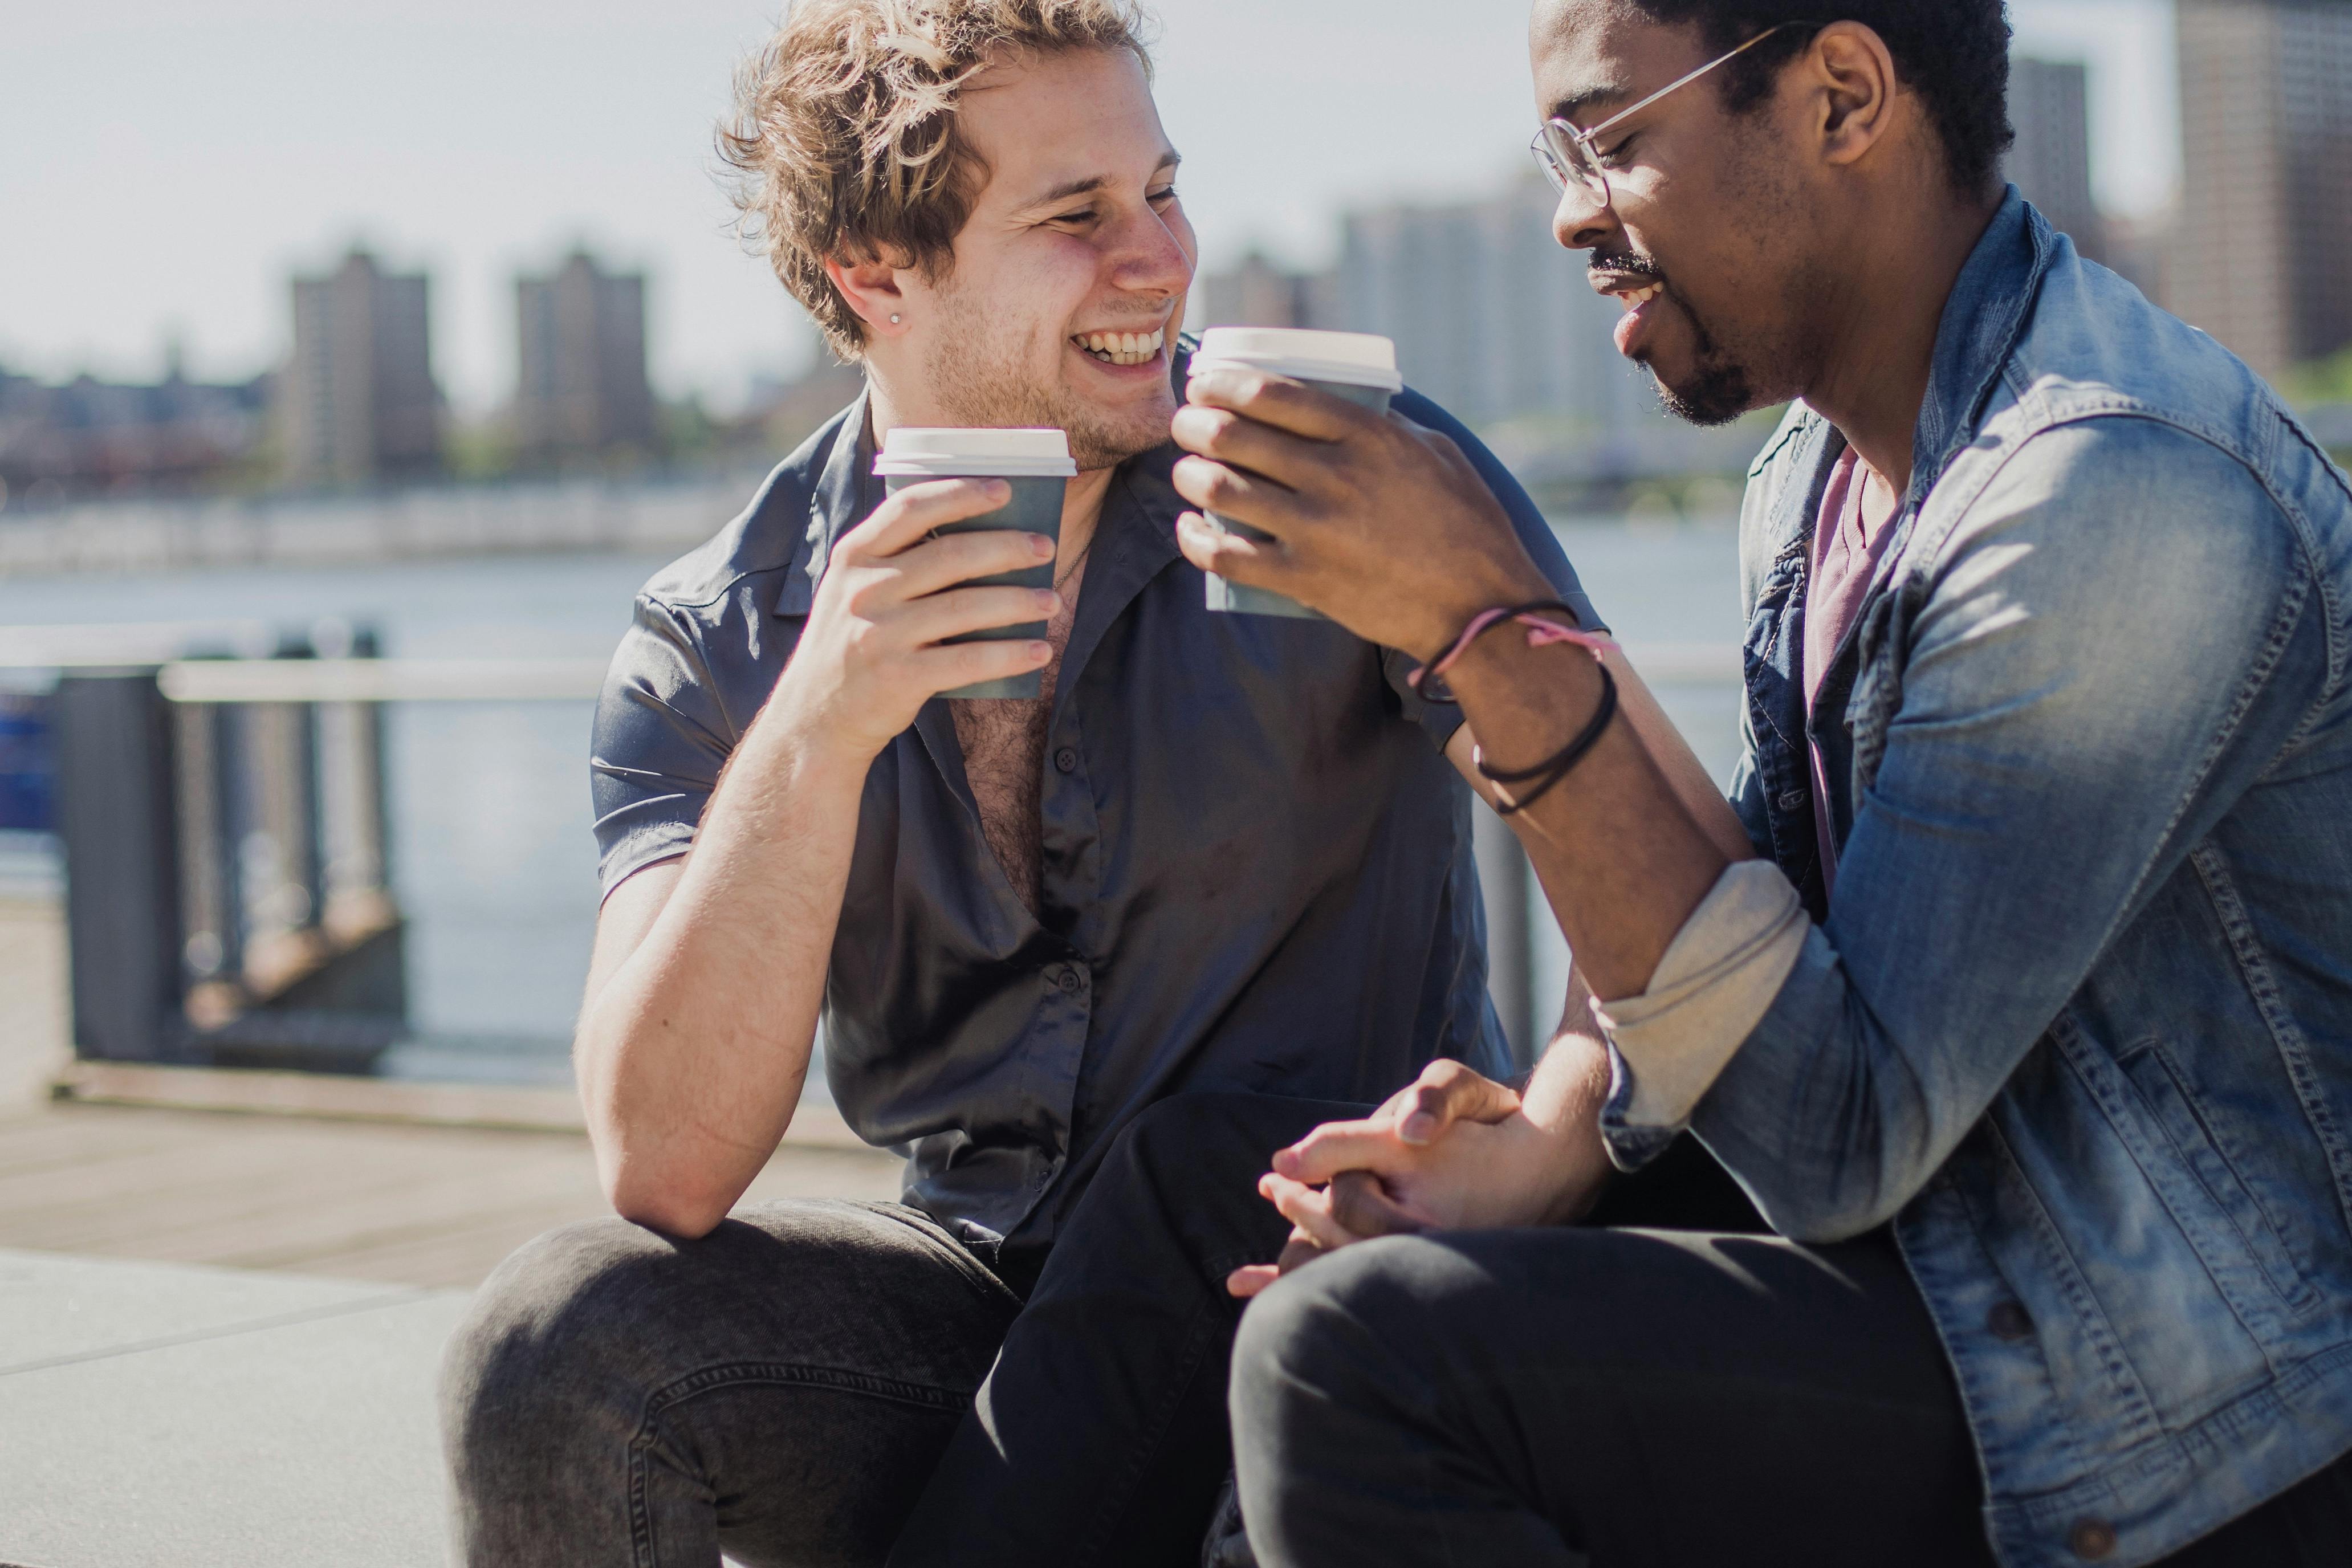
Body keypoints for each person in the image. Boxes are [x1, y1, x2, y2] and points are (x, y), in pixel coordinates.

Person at [434, 2, 1731, 1565]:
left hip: (1321, 1281)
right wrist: (820, 729)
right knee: (553, 1344)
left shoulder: (1338, 476)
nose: (1161, 260)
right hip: (974, 1305)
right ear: (873, 272)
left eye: (1163, 191)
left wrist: (1542, 1150)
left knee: (1203, 1178)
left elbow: (1660, 870)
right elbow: (665, 1158)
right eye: (1077, 216)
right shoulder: (719, 638)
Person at [1157, 4, 2352, 1566]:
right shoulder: (1816, 473)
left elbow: (1839, 1135)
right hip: (1961, 1265)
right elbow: (1745, 908)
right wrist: (1549, 1135)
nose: (1573, 211)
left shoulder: (2107, 488)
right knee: (1245, 1211)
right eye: (1556, 156)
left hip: (2196, 1420)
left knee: (1361, 1362)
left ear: (1843, 98)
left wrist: (1500, 637)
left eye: (1614, 138)